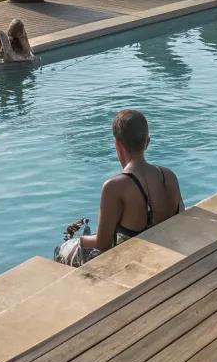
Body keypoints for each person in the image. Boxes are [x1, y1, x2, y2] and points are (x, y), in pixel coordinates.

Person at [56, 108, 183, 266]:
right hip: (166, 254)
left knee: (62, 250)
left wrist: (78, 240)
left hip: (132, 262)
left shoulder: (114, 187)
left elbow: (103, 244)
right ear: (147, 142)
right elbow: (180, 217)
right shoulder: (168, 175)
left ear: (117, 144)